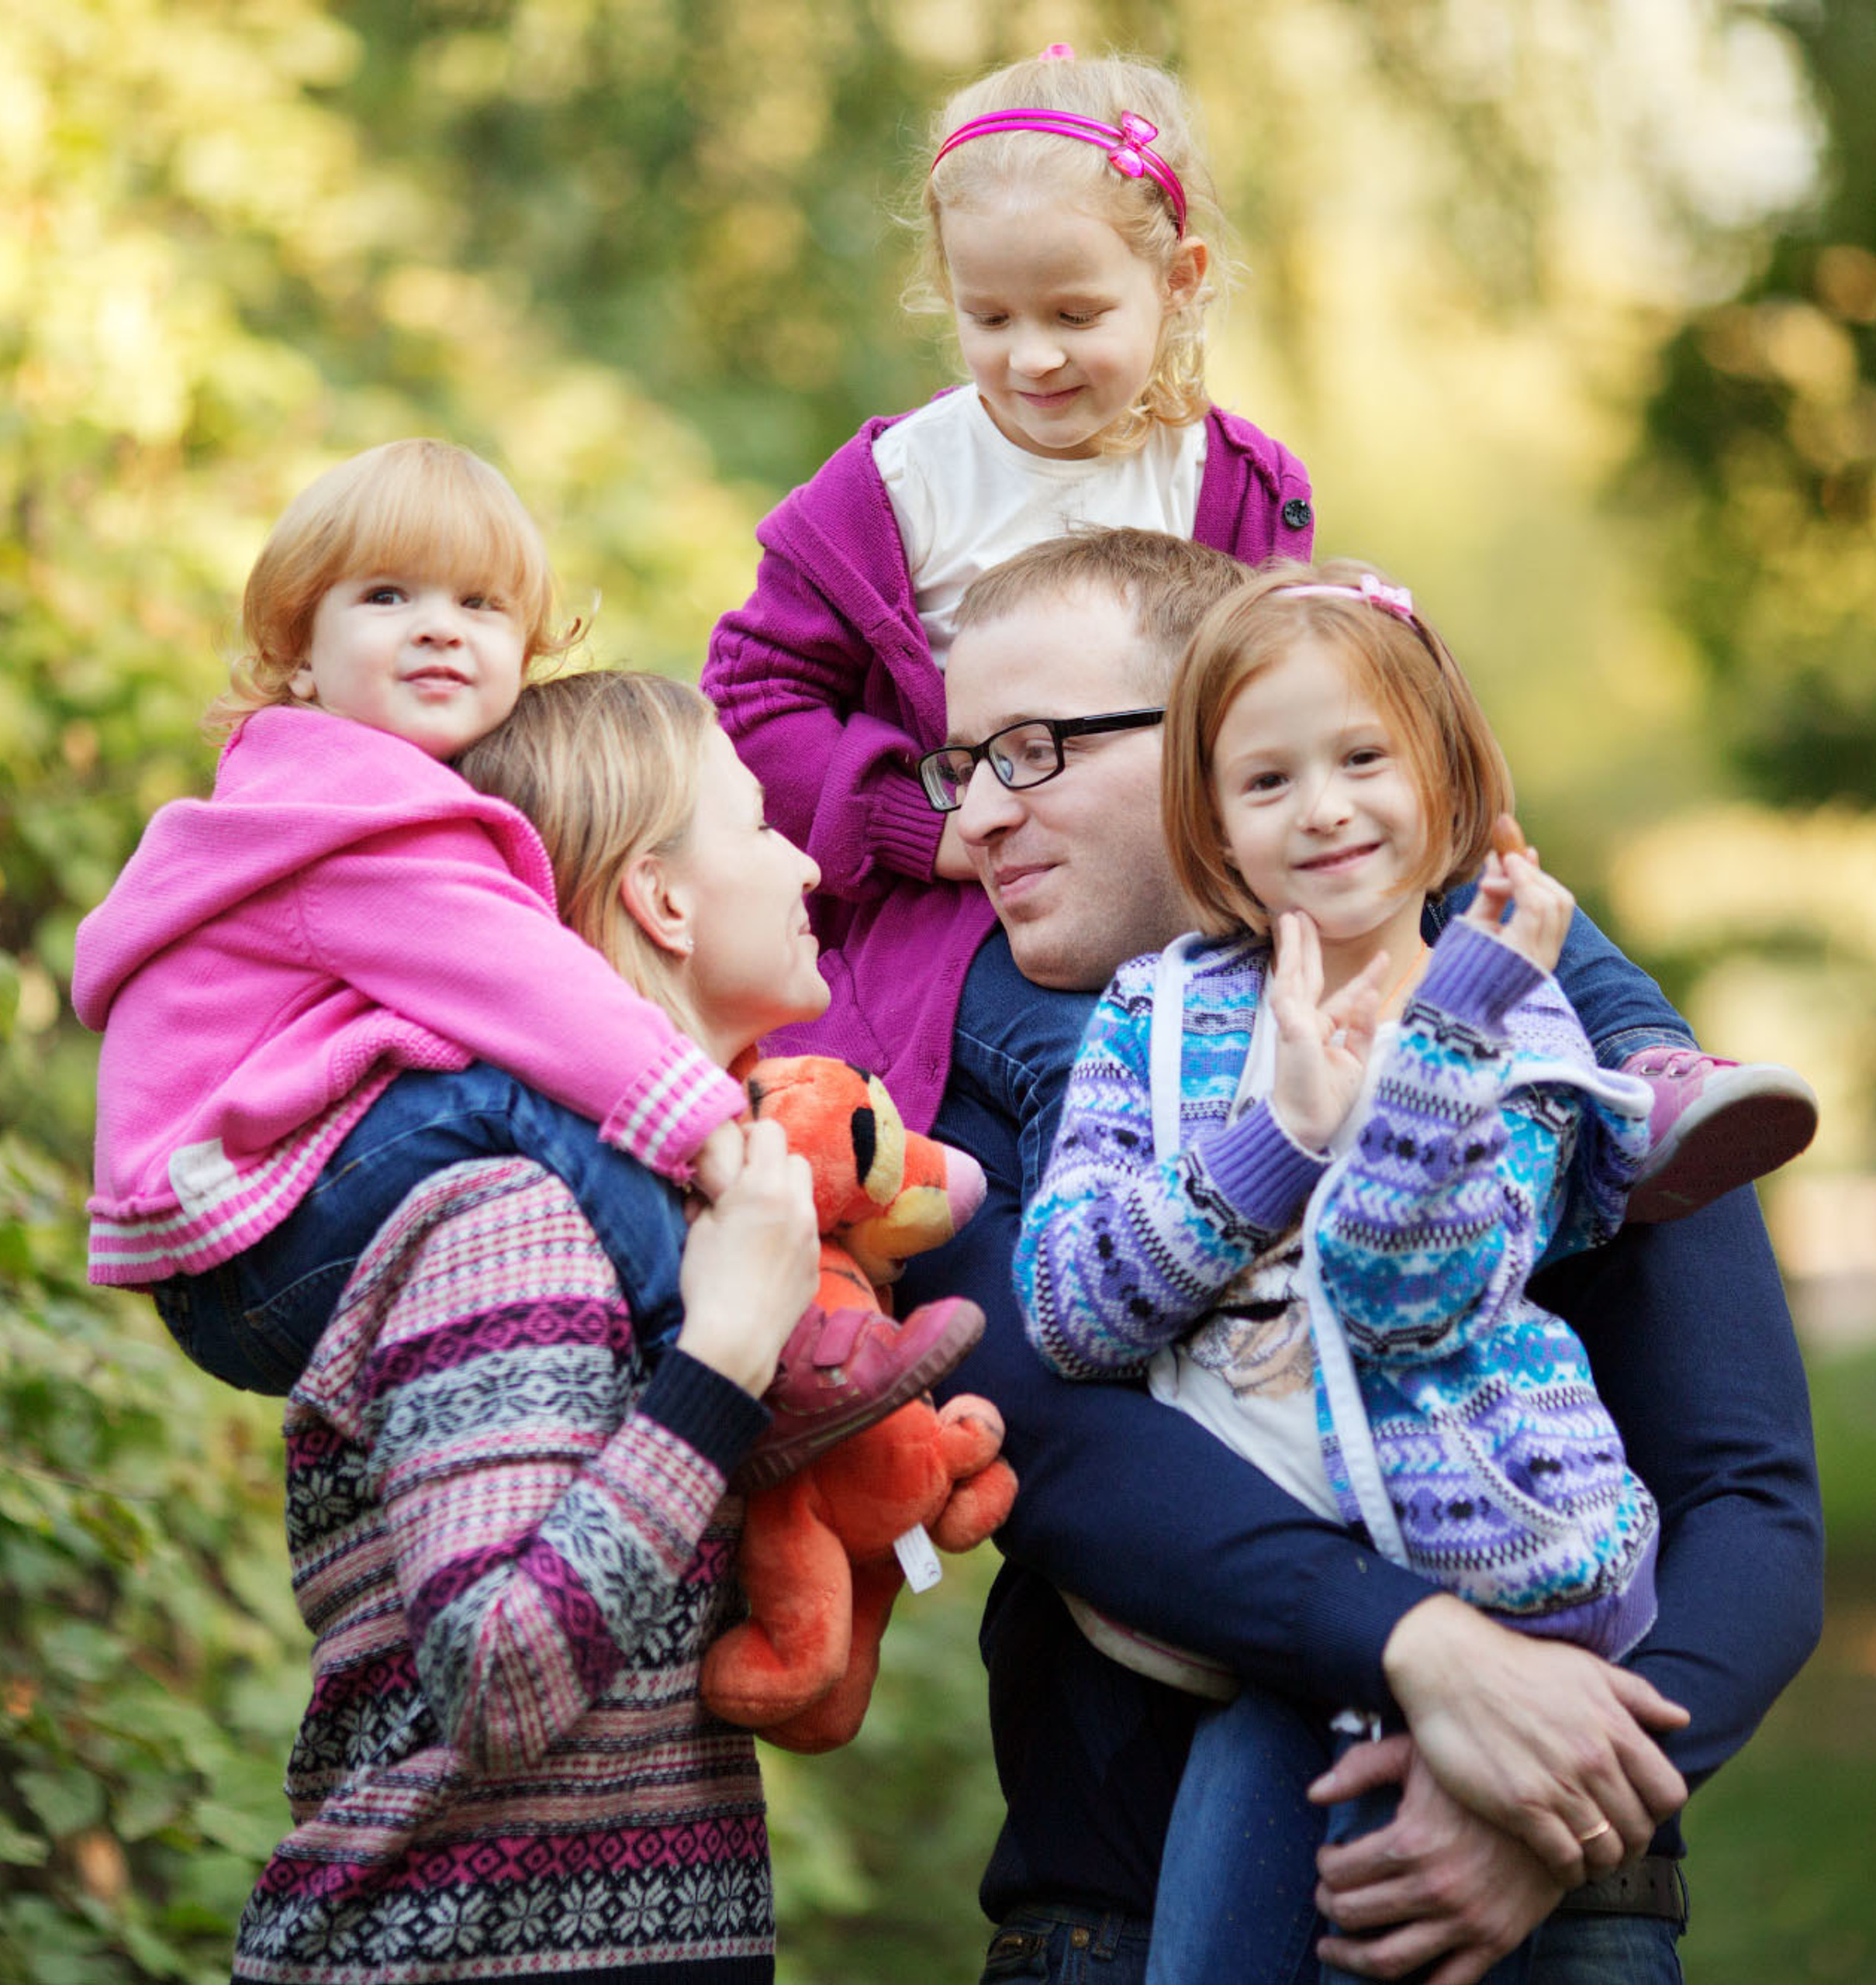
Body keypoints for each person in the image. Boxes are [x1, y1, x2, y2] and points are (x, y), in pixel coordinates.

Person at [879, 529, 1822, 1983]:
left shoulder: (1537, 994)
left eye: (1034, 749)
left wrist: (1558, 1806)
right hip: (1111, 1914)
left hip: (1553, 1892)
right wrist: (1422, 1651)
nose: (976, 821)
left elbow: (1748, 1495)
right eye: (965, 766)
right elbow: (1057, 1436)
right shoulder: (970, 1061)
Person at [705, 45, 1814, 1214]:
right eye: (989, 317)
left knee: (1466, 858)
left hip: (1211, 855)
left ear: (1178, 280)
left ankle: (1644, 1062)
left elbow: (1299, 679)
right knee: (1106, 1046)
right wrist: (910, 821)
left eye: (1075, 314)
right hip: (990, 886)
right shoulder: (899, 484)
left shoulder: (1232, 479)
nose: (1031, 356)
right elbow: (750, 695)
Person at [1017, 561, 1674, 1984]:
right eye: (1267, 781)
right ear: (1214, 823)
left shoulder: (1530, 1030)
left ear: (1442, 774)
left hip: (1492, 1563)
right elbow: (1067, 1309)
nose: (1322, 809)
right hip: (1272, 1614)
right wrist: (1275, 1142)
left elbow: (1403, 1301)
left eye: (1362, 759)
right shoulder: (1164, 1013)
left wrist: (1441, 1041)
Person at [72, 438, 969, 1479]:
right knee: (519, 1096)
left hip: (260, 1224)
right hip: (245, 1241)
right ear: (300, 657)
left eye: (482, 605)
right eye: (387, 596)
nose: (439, 627)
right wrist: (708, 1132)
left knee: (525, 1098)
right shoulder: (342, 816)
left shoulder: (368, 804)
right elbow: (537, 992)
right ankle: (732, 1358)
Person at [230, 668, 836, 1983]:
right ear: (662, 898)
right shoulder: (512, 1218)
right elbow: (500, 1681)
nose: (809, 861)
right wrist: (725, 1359)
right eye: (758, 822)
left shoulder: (665, 1222)